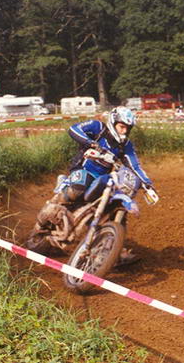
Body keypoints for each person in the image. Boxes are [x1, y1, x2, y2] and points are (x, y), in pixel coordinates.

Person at [47, 106, 153, 264]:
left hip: (102, 179)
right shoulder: (98, 128)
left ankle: (115, 247)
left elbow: (134, 165)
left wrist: (148, 184)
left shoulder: (125, 145)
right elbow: (73, 129)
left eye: (128, 128)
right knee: (77, 190)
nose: (124, 131)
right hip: (83, 169)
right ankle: (52, 209)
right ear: (113, 122)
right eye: (122, 126)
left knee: (116, 207)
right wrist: (90, 142)